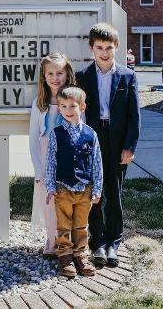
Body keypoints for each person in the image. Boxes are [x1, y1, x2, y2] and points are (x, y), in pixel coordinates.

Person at [76, 23, 140, 267]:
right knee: (95, 193)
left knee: (114, 193)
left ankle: (114, 242)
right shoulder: (82, 77)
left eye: (109, 48)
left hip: (117, 140)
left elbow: (134, 116)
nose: (104, 52)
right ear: (92, 48)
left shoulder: (127, 76)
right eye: (100, 47)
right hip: (92, 140)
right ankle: (98, 242)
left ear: (116, 48)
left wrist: (130, 146)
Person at [45, 86, 103, 278]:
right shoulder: (56, 133)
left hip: (84, 189)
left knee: (80, 225)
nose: (68, 110)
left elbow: (96, 162)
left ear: (82, 107)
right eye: (64, 106)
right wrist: (51, 186)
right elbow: (51, 161)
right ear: (59, 108)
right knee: (63, 225)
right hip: (63, 188)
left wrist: (97, 188)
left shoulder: (90, 134)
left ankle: (80, 255)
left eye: (73, 106)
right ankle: (65, 257)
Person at [29, 52, 76, 257]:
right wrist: (38, 170)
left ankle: (66, 241)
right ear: (44, 76)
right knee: (48, 201)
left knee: (66, 199)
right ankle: (51, 241)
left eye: (59, 73)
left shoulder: (73, 102)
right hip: (45, 155)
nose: (55, 78)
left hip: (66, 155)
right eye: (50, 73)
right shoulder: (39, 105)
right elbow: (33, 139)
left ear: (67, 75)